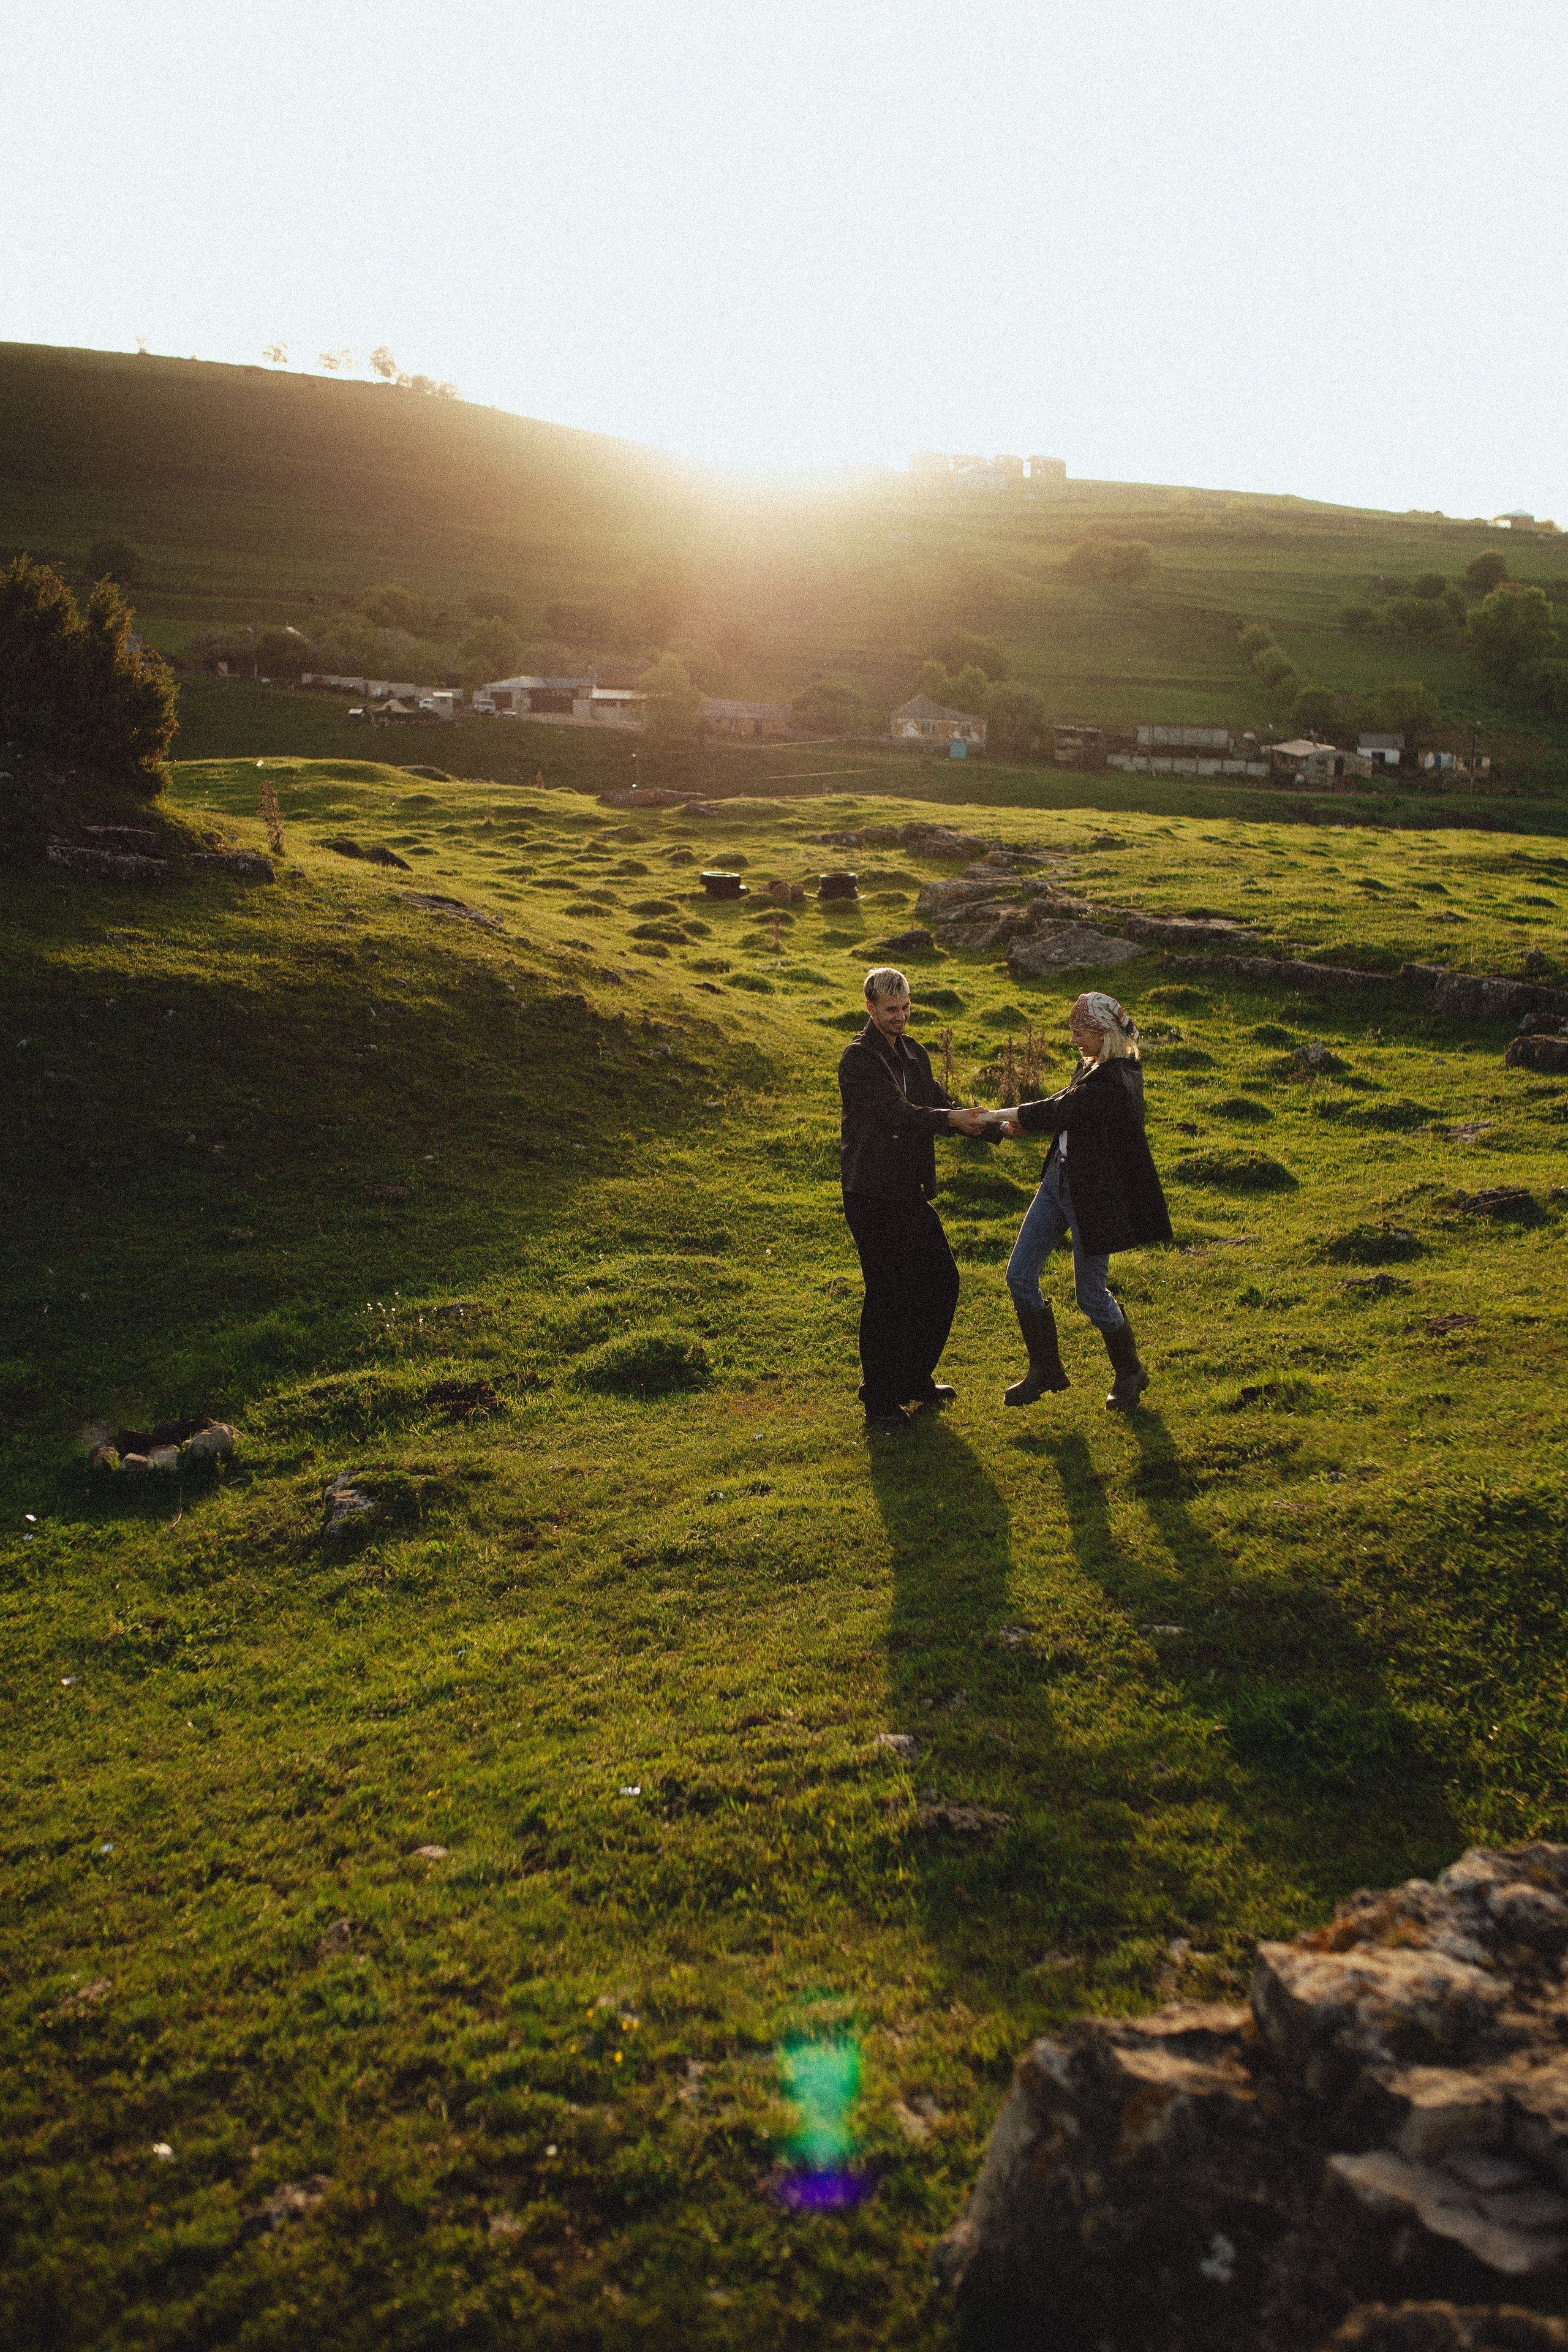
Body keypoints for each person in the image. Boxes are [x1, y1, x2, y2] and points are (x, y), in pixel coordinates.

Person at [989, 990, 1172, 1412]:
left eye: (1079, 1031)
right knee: (1019, 1276)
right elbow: (1062, 1104)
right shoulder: (1093, 1067)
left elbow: (1064, 1109)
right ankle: (1046, 1369)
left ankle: (1130, 1372)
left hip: (1094, 1196)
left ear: (1103, 1033)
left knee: (1090, 1295)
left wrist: (998, 1116)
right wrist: (1019, 1122)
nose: (1073, 1039)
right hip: (1058, 1180)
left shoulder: (1116, 1082)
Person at [838, 967, 992, 1430]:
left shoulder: (915, 1054)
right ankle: (880, 1401)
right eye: (890, 1010)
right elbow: (898, 1116)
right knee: (887, 1293)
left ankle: (914, 1377)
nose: (901, 1017)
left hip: (907, 1191)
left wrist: (996, 1126)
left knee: (941, 1281)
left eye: (906, 1008)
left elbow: (939, 1101)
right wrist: (951, 1120)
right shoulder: (858, 1060)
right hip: (870, 1192)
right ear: (870, 1008)